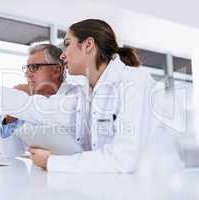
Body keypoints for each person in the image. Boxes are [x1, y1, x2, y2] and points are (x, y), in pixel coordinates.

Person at [28, 19, 154, 173]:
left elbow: (123, 159)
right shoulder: (83, 90)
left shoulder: (134, 81)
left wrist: (51, 161)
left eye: (67, 44)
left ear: (88, 45)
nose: (62, 56)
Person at [0, 44, 83, 157]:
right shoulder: (30, 104)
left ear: (56, 70)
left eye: (34, 67)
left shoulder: (75, 97)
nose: (27, 74)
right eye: (26, 68)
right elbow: (11, 155)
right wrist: (10, 117)